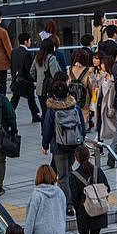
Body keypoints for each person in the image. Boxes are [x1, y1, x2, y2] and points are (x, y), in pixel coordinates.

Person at [41, 82, 84, 212]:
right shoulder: (75, 108)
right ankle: (75, 198)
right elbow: (82, 126)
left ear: (53, 94)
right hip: (74, 145)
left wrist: (45, 145)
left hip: (58, 147)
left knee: (63, 176)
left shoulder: (52, 110)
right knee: (69, 171)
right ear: (67, 93)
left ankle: (68, 205)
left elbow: (47, 129)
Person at [68, 145, 110, 234]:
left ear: (76, 159)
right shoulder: (98, 170)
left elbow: (74, 197)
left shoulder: (74, 175)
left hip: (85, 210)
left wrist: (77, 209)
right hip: (100, 207)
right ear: (89, 155)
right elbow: (107, 188)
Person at [10, 33, 41, 122]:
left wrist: (13, 78)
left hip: (16, 80)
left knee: (15, 100)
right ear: (26, 41)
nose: (30, 42)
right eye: (30, 40)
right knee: (31, 99)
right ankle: (35, 116)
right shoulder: (27, 53)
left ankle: (9, 116)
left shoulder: (14, 52)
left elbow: (12, 67)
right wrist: (33, 80)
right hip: (26, 81)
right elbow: (29, 69)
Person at [32, 38, 62, 118]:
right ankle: (48, 129)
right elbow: (55, 74)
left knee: (44, 111)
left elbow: (32, 72)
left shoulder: (37, 57)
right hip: (50, 89)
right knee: (51, 112)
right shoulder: (51, 58)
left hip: (40, 89)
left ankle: (44, 129)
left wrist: (39, 79)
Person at [67, 50, 96, 130]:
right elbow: (92, 86)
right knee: (83, 117)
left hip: (71, 97)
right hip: (84, 99)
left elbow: (67, 83)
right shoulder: (88, 71)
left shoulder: (70, 69)